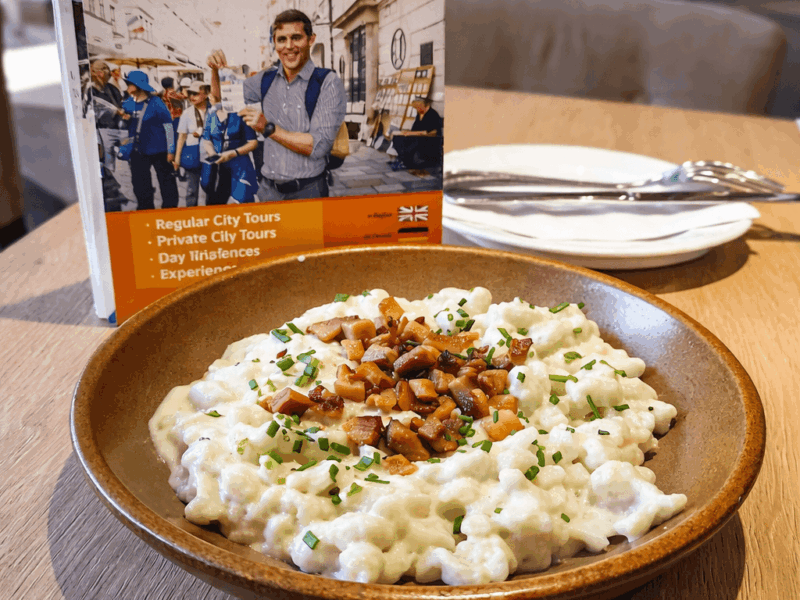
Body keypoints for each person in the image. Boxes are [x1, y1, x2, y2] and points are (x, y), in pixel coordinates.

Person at [207, 9, 346, 201]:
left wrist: (268, 128)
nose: (289, 46)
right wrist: (215, 71)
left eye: (296, 37)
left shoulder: (328, 82)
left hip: (309, 190)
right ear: (274, 42)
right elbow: (219, 99)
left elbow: (318, 146)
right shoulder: (266, 79)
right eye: (281, 40)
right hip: (269, 191)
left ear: (311, 39)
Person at [120, 70, 179, 210]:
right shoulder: (127, 104)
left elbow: (169, 127)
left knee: (167, 184)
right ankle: (146, 211)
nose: (126, 85)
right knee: (140, 185)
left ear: (138, 85)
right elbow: (125, 128)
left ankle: (170, 211)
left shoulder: (156, 103)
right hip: (138, 151)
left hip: (160, 150)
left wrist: (171, 150)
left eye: (129, 83)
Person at [173, 81, 210, 207]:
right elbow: (181, 136)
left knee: (210, 188)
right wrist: (177, 158)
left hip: (211, 154)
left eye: (195, 93)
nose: (192, 97)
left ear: (205, 94)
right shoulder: (187, 113)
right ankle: (191, 215)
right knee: (191, 190)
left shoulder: (214, 110)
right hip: (193, 154)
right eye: (190, 94)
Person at [89, 60, 126, 175]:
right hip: (98, 130)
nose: (108, 74)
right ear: (97, 73)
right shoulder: (89, 89)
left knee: (110, 162)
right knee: (102, 161)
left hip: (113, 129)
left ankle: (108, 178)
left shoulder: (112, 89)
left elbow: (120, 104)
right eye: (105, 70)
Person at [389, 96, 443, 171]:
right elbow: (414, 129)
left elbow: (433, 133)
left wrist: (414, 133)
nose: (417, 110)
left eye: (418, 107)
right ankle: (404, 160)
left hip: (430, 141)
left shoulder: (433, 114)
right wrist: (406, 132)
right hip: (418, 136)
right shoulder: (419, 114)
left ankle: (407, 163)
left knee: (413, 141)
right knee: (397, 138)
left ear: (425, 106)